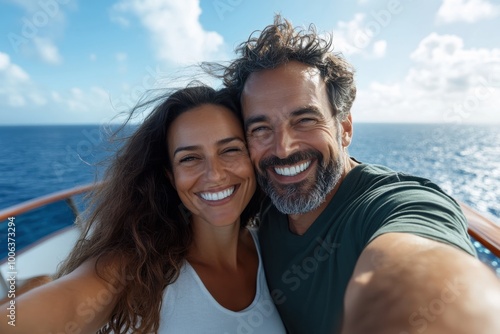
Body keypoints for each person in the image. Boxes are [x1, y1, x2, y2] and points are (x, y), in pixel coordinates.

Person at [210, 15, 500, 334]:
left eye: (305, 120)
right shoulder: (256, 200)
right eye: (261, 128)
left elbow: (424, 266)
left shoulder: (394, 205)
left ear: (344, 128)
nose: (282, 148)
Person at [0, 85, 286, 333]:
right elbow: (67, 307)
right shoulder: (134, 268)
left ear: (252, 157)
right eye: (189, 158)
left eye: (230, 150)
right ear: (169, 176)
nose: (214, 174)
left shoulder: (273, 248)